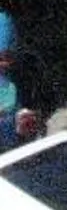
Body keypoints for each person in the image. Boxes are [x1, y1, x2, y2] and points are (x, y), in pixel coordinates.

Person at [0, 17, 46, 146]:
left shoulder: (23, 74)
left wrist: (31, 123)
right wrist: (12, 127)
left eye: (9, 56)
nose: (6, 64)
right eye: (1, 58)